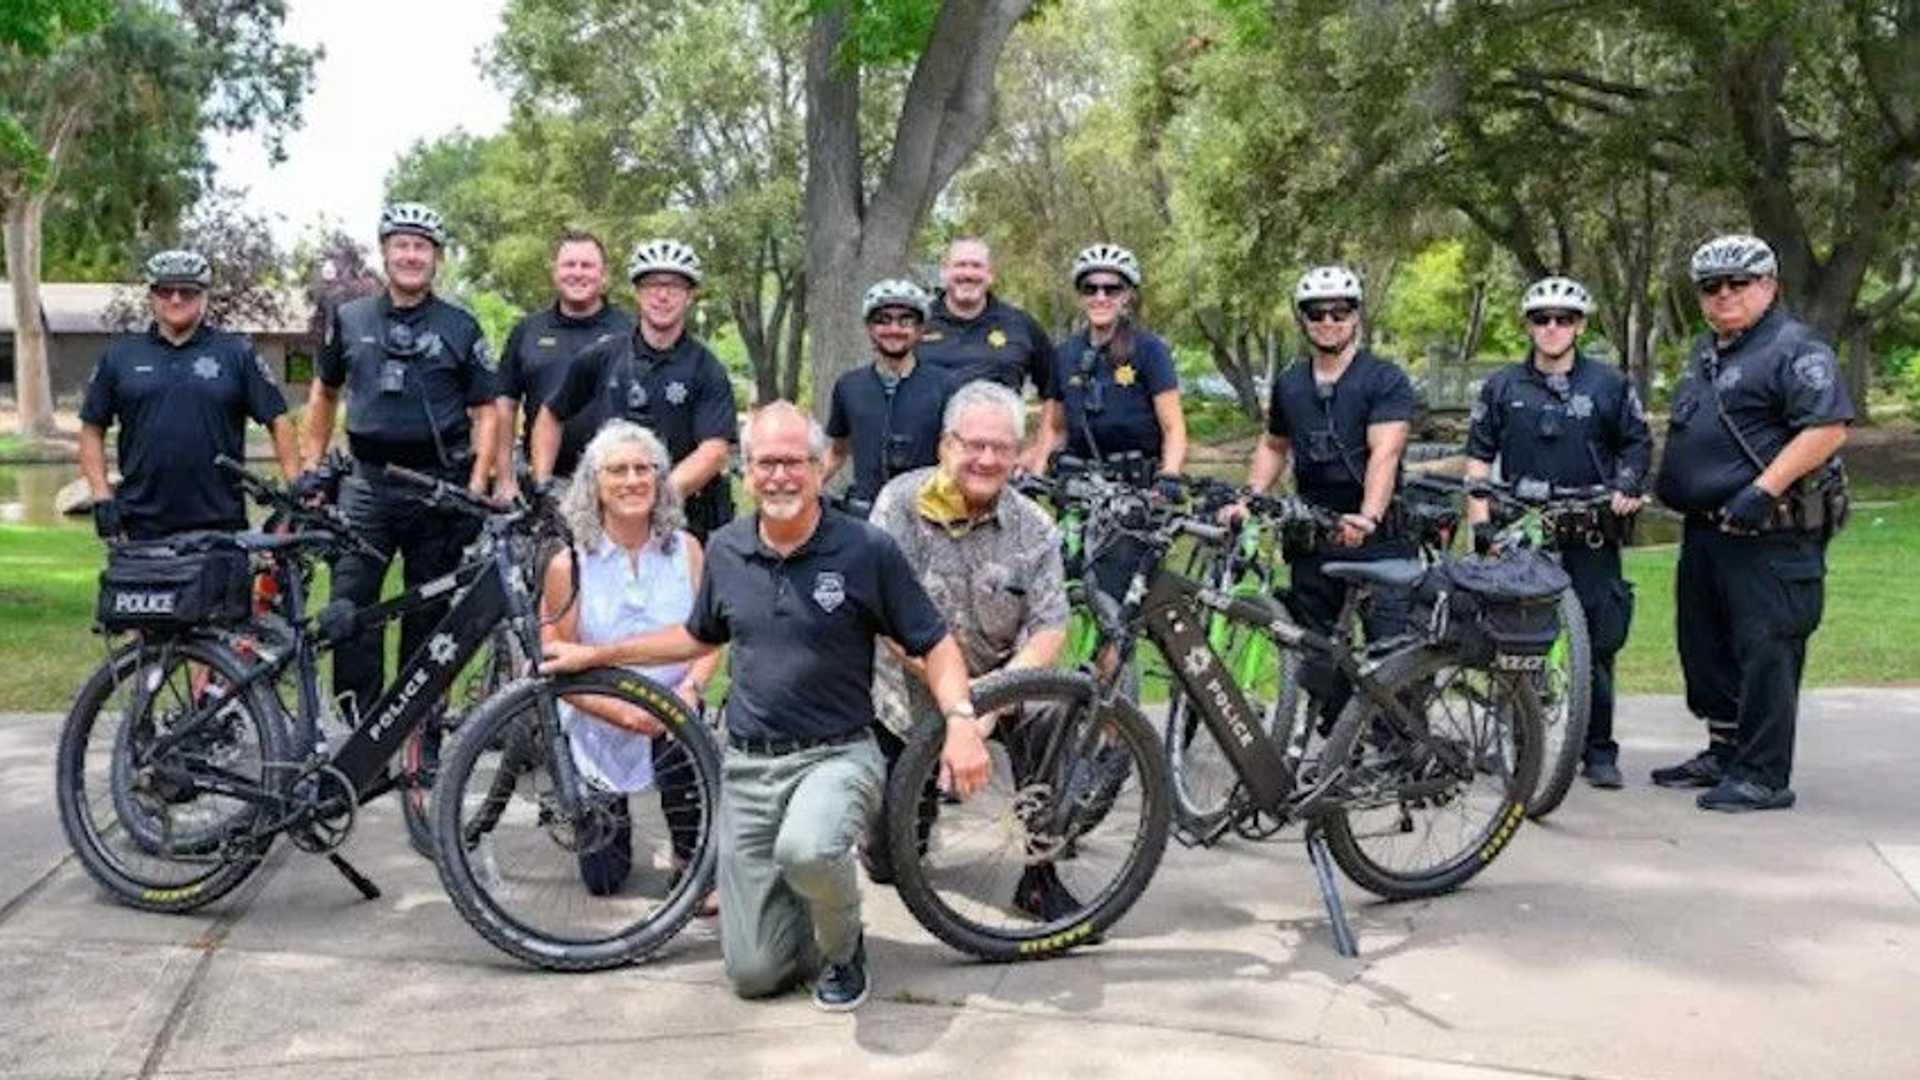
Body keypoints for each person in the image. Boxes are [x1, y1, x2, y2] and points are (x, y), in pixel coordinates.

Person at [540, 402, 991, 1012]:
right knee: (753, 974)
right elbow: (697, 636)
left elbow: (934, 643)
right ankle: (814, 904)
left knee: (808, 849)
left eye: (793, 462)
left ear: (820, 468)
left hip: (836, 754)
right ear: (746, 473)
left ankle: (844, 947)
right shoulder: (726, 548)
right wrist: (598, 655)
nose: (779, 476)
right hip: (749, 769)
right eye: (765, 463)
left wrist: (961, 721)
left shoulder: (865, 548)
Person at [1650, 234, 1852, 812]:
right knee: (1706, 650)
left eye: (1739, 282)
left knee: (1766, 650)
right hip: (1708, 531)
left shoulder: (1795, 349)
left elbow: (1827, 428)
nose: (1724, 294)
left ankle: (1763, 775)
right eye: (1711, 286)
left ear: (1769, 285)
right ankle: (1725, 751)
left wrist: (1763, 491)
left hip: (1770, 533)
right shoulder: (1708, 352)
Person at [864, 380, 1071, 915]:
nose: (987, 459)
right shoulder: (899, 505)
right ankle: (912, 812)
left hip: (999, 688)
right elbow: (885, 618)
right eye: (974, 444)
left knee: (1052, 714)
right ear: (945, 445)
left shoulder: (1035, 527)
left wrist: (988, 700)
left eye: (1002, 447)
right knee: (890, 862)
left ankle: (1040, 871)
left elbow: (1049, 628)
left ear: (1018, 454)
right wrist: (956, 699)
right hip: (910, 697)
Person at [300, 202, 498, 721]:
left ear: (436, 257)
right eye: (402, 245)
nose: (411, 256)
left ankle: (419, 732)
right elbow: (323, 394)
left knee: (430, 612)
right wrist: (311, 468)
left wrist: (477, 485)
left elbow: (487, 412)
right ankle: (360, 727)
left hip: (437, 488)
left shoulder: (461, 326)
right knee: (351, 607)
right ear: (384, 253)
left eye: (421, 247)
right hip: (365, 485)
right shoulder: (350, 319)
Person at [1464, 276, 1653, 789]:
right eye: (1541, 319)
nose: (1552, 327)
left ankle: (1598, 750)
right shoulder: (1502, 386)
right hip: (1521, 532)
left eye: (1563, 319)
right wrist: (1480, 525)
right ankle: (1514, 743)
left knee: (1598, 642)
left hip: (1590, 529)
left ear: (1579, 326)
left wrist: (1629, 483)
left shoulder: (1609, 384)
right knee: (1513, 641)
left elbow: (1637, 444)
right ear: (1528, 326)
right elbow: (1478, 459)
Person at [542, 420, 719, 913]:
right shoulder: (569, 564)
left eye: (644, 469)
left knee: (680, 735)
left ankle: (690, 857)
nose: (632, 480)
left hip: (673, 713)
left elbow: (710, 638)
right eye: (617, 470)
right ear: (594, 483)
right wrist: (621, 713)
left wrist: (690, 690)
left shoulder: (687, 550)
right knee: (604, 880)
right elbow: (551, 662)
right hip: (599, 718)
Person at [1239, 265, 1415, 723]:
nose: (1328, 321)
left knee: (1391, 658)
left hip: (1376, 537)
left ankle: (1404, 744)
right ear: (1303, 319)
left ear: (1356, 315)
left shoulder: (1385, 379)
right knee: (1319, 659)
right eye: (1317, 313)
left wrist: (1368, 516)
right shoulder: (1291, 383)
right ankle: (1338, 745)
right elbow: (1274, 445)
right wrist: (1250, 497)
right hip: (1313, 534)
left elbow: (1385, 453)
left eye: (1340, 311)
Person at [80, 250, 301, 540]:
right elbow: (91, 428)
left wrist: (295, 496)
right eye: (165, 291)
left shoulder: (237, 354)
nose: (176, 299)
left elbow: (279, 421)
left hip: (221, 527)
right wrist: (101, 496)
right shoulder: (119, 357)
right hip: (139, 526)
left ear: (204, 296)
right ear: (151, 295)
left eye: (187, 291)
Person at [531, 239, 735, 541]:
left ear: (689, 296)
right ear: (638, 292)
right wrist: (543, 485)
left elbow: (714, 450)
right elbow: (551, 413)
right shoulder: (603, 355)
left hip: (680, 522)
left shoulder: (707, 368)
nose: (662, 295)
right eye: (653, 285)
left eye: (674, 286)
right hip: (607, 524)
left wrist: (656, 495)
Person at [492, 230, 635, 500]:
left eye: (587, 265)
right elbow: (505, 406)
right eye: (569, 264)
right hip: (544, 480)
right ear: (555, 272)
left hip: (616, 483)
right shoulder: (527, 330)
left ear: (604, 274)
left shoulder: (630, 330)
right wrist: (504, 478)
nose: (577, 273)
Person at [1027, 243, 1187, 482]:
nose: (1100, 297)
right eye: (1090, 289)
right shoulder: (1064, 355)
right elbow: (1054, 429)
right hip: (1078, 486)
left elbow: (1173, 427)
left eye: (1111, 289)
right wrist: (1036, 477)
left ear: (1126, 296)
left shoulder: (1150, 350)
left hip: (1138, 487)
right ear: (1081, 296)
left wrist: (1170, 475)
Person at [823, 279, 955, 511]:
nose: (894, 329)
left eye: (906, 321)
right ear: (869, 328)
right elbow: (837, 451)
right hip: (865, 514)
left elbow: (956, 454)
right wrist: (805, 488)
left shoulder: (945, 385)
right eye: (883, 320)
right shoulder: (849, 386)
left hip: (925, 513)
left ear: (920, 329)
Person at [917, 237, 1057, 398]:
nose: (968, 274)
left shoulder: (1021, 324)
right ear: (944, 272)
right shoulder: (918, 322)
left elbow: (1054, 391)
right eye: (960, 265)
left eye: (977, 266)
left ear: (990, 275)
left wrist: (1048, 415)